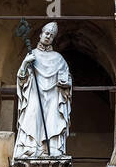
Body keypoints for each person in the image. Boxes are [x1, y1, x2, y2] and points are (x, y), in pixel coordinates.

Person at [13, 21, 72, 159]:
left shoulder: (59, 58)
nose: (48, 37)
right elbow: (22, 79)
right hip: (34, 93)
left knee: (53, 121)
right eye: (46, 33)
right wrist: (25, 63)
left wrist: (64, 83)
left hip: (53, 97)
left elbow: (67, 78)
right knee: (32, 118)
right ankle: (30, 148)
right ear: (40, 35)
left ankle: (51, 148)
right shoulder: (32, 55)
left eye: (51, 36)